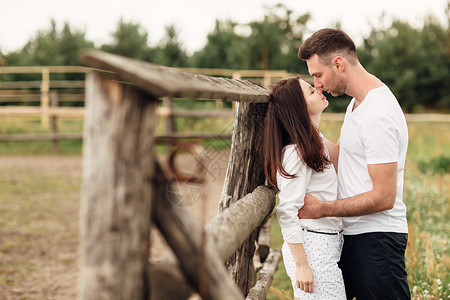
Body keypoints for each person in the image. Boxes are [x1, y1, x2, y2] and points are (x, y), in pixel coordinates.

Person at [297, 28, 410, 300]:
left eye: (318, 75)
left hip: (377, 240)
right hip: (359, 237)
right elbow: (343, 157)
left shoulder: (377, 114)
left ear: (338, 64)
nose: (318, 83)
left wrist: (322, 208)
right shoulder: (358, 104)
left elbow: (384, 197)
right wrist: (303, 134)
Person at [261, 76, 345, 299]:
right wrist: (302, 265)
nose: (318, 88)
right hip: (312, 249)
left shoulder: (314, 141)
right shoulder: (297, 152)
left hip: (324, 243)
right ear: (299, 107)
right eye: (310, 91)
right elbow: (287, 211)